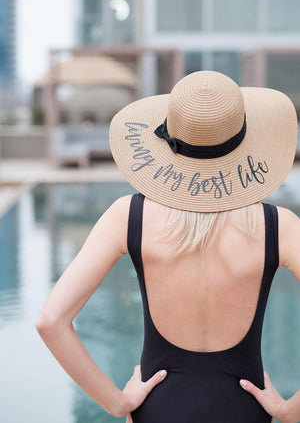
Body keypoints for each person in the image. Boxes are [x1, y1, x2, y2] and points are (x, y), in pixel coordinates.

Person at [36, 71, 300, 423]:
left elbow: (51, 322)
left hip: (157, 410)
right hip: (244, 411)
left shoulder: (129, 216)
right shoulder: (277, 226)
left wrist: (117, 403)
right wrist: (290, 410)